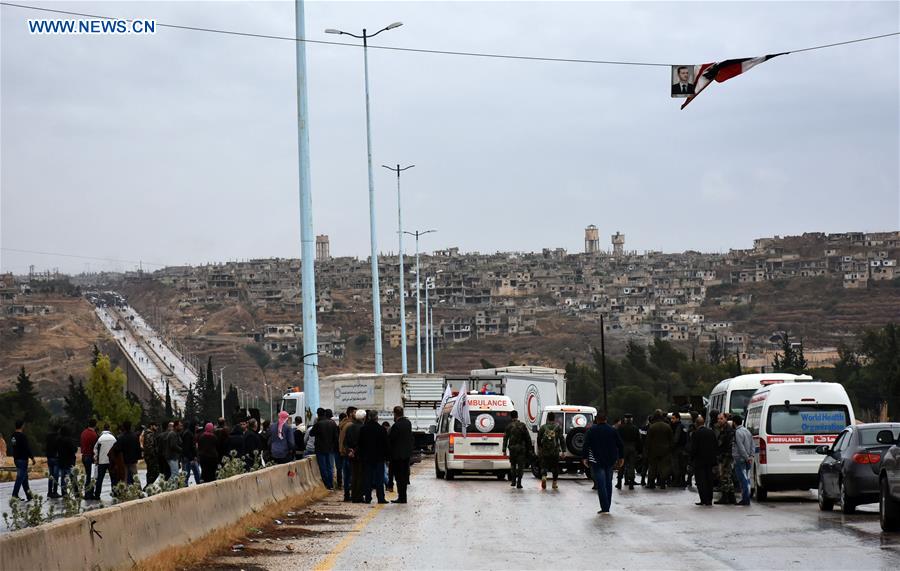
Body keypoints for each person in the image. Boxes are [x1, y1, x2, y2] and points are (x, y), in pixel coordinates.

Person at [583, 414, 624, 514]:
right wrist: (621, 457)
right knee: (608, 483)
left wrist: (585, 457)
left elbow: (586, 444)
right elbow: (620, 444)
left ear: (597, 420)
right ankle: (607, 506)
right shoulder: (612, 430)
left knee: (601, 484)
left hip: (596, 460)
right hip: (610, 460)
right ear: (606, 419)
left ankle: (604, 507)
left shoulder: (592, 430)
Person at [359, 410, 389, 504]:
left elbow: (361, 444)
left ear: (368, 417)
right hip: (379, 458)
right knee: (379, 478)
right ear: (377, 417)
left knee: (368, 478)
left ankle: (368, 498)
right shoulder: (381, 429)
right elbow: (385, 444)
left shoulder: (364, 429)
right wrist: (386, 456)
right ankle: (381, 498)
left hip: (367, 458)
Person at [690, 415, 718, 506]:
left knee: (701, 481)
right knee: (709, 480)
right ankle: (709, 499)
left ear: (696, 424)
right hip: (710, 461)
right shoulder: (711, 432)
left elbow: (693, 448)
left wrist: (691, 459)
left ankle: (703, 499)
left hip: (699, 461)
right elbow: (715, 446)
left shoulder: (696, 433)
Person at [388, 406, 414, 503]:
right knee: (404, 476)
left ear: (395, 414)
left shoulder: (396, 426)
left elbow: (391, 439)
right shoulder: (408, 423)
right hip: (406, 455)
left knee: (399, 478)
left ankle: (401, 497)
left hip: (397, 456)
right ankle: (404, 497)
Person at [502, 410, 531, 489]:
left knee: (513, 465)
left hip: (512, 449)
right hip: (521, 449)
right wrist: (530, 449)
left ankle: (513, 481)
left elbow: (505, 439)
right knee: (521, 466)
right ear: (517, 416)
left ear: (511, 417)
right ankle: (519, 482)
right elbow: (528, 438)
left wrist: (504, 450)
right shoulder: (522, 425)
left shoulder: (509, 426)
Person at [310, 408, 338, 488]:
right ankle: (331, 484)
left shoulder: (318, 424)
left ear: (318, 414)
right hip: (330, 449)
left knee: (323, 467)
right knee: (329, 467)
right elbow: (336, 437)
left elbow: (311, 433)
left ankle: (327, 485)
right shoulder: (332, 423)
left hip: (320, 449)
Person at [537, 412, 565, 490]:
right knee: (555, 467)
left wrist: (540, 448)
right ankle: (554, 483)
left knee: (544, 466)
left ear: (548, 418)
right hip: (555, 451)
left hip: (545, 451)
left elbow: (538, 439)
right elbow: (561, 439)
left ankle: (544, 477)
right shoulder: (558, 427)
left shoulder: (543, 427)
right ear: (554, 418)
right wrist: (563, 451)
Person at [645, 410, 672, 489]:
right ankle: (662, 483)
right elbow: (671, 439)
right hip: (665, 450)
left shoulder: (652, 427)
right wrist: (670, 449)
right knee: (663, 467)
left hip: (653, 450)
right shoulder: (667, 426)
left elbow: (648, 441)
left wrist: (646, 451)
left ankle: (651, 483)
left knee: (653, 467)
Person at [715, 412, 737, 505]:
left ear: (725, 419)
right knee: (727, 477)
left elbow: (721, 443)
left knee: (724, 476)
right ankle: (731, 497)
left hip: (726, 456)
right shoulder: (724, 429)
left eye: (721, 419)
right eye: (718, 419)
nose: (719, 420)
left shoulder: (727, 430)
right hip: (725, 455)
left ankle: (725, 497)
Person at [10, 420, 35, 501]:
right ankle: (14, 494)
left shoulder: (13, 436)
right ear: (22, 426)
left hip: (16, 459)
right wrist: (32, 457)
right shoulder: (22, 436)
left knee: (24, 477)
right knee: (20, 477)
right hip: (23, 459)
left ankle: (29, 495)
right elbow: (26, 448)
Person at [615, 413, 641, 491]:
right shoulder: (635, 428)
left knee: (621, 465)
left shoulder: (620, 428)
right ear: (631, 419)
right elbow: (638, 440)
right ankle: (631, 483)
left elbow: (617, 439)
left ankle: (619, 483)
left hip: (622, 448)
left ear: (625, 419)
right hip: (632, 448)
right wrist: (639, 450)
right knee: (631, 466)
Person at [732, 415, 753, 506]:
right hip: (747, 458)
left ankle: (745, 499)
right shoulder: (747, 431)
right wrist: (750, 456)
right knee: (747, 479)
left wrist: (746, 457)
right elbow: (752, 445)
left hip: (740, 459)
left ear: (734, 422)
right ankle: (746, 498)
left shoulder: (737, 432)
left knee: (743, 479)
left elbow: (740, 447)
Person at [346, 409, 365, 503]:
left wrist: (350, 450)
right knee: (361, 476)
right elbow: (362, 443)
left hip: (351, 455)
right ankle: (359, 496)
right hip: (360, 455)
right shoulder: (363, 428)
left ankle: (353, 496)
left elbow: (347, 441)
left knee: (353, 475)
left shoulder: (350, 427)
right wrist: (355, 450)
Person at [93, 424, 117, 499]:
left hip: (102, 461)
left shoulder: (100, 439)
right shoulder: (113, 438)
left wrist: (96, 458)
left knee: (100, 479)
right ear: (109, 429)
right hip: (111, 461)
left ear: (103, 429)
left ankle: (97, 494)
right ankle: (115, 493)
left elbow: (95, 449)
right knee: (113, 478)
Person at [338, 407, 357, 501]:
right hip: (349, 453)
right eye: (354, 412)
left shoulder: (343, 423)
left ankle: (346, 495)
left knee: (346, 476)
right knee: (352, 475)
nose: (356, 414)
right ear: (350, 413)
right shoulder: (350, 425)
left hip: (343, 452)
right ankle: (353, 495)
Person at [117, 420, 142, 486]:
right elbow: (138, 447)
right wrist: (138, 457)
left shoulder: (121, 437)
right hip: (133, 459)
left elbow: (118, 449)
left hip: (124, 459)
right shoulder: (135, 436)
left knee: (125, 476)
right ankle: (138, 489)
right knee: (135, 475)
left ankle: (124, 491)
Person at [80, 419, 99, 498]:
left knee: (88, 475)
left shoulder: (83, 432)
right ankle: (89, 493)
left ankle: (87, 492)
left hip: (84, 456)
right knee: (91, 476)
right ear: (95, 425)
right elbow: (95, 447)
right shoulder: (94, 434)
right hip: (90, 457)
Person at [57, 426, 77, 497]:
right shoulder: (69, 440)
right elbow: (74, 449)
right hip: (70, 461)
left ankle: (64, 493)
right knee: (73, 478)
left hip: (61, 461)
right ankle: (76, 493)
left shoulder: (58, 440)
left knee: (63, 478)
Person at [670, 413, 688, 488]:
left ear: (678, 419)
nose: (672, 420)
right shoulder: (683, 427)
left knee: (676, 466)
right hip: (683, 449)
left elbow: (676, 439)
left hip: (677, 449)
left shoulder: (678, 427)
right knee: (682, 466)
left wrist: (672, 446)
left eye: (673, 418)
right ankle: (682, 481)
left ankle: (676, 481)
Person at [141, 422, 160, 489]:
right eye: (155, 426)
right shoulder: (150, 434)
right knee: (155, 472)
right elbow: (150, 447)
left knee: (150, 472)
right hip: (151, 457)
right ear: (151, 426)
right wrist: (154, 455)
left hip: (149, 456)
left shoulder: (147, 433)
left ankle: (148, 486)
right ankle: (148, 487)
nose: (157, 427)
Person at [46, 424, 61, 498]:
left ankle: (49, 492)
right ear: (58, 430)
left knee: (50, 476)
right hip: (56, 458)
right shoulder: (58, 437)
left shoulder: (48, 436)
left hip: (49, 457)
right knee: (56, 476)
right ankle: (55, 491)